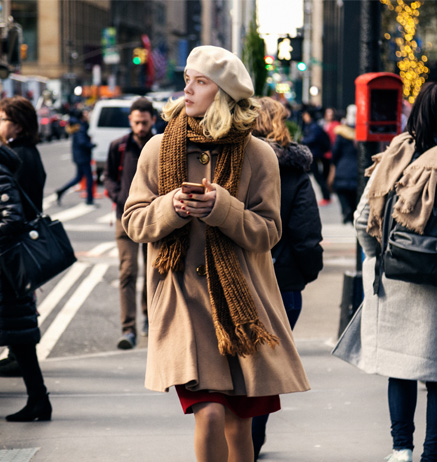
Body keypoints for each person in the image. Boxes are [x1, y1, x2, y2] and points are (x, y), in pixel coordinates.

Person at [122, 45, 310, 462]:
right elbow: (133, 222)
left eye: (200, 82)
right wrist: (170, 207)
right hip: (184, 303)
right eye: (187, 78)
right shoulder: (158, 148)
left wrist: (222, 209)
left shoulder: (259, 154)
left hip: (242, 306)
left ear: (222, 92)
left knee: (239, 422)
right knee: (208, 412)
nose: (187, 89)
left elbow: (269, 232)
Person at [333, 82, 437, 462]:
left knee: (402, 367)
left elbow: (364, 219)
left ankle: (401, 448)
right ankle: (431, 452)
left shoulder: (398, 153)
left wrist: (379, 258)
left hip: (395, 276)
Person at [251, 97, 324, 460]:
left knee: (238, 359)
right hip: (283, 284)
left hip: (243, 277)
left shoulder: (236, 163)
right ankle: (254, 434)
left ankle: (237, 433)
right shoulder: (294, 171)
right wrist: (304, 274)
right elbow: (307, 233)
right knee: (269, 364)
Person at [0, 96, 51, 422]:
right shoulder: (23, 156)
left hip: (8, 263)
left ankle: (38, 399)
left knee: (20, 334)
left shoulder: (11, 161)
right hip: (15, 261)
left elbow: (12, 215)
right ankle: (38, 399)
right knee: (20, 336)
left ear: (16, 124)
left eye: (3, 118)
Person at [103, 98, 156, 349]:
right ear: (130, 121)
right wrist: (118, 197)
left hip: (154, 219)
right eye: (136, 122)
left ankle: (148, 317)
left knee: (152, 271)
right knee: (127, 272)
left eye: (144, 122)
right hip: (124, 218)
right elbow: (109, 177)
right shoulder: (119, 147)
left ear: (153, 121)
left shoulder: (160, 145)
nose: (140, 127)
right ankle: (128, 329)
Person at [56, 109, 95, 206]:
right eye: (85, 114)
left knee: (79, 177)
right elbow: (82, 142)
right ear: (81, 116)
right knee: (89, 178)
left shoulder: (78, 126)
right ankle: (89, 199)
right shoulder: (80, 127)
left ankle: (61, 191)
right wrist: (91, 145)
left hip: (80, 156)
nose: (87, 115)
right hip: (83, 156)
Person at [330, 104, 358, 224]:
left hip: (343, 167)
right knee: (354, 193)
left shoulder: (342, 132)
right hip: (357, 168)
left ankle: (345, 210)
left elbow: (335, 152)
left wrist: (334, 164)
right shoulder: (360, 132)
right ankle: (351, 212)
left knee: (342, 191)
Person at [301, 107, 332, 206]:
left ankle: (326, 196)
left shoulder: (314, 127)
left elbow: (312, 139)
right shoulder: (312, 126)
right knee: (318, 176)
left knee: (318, 177)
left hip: (315, 154)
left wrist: (303, 139)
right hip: (316, 153)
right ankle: (326, 196)